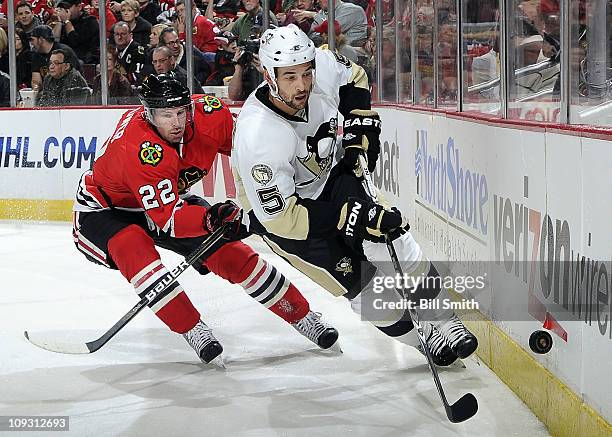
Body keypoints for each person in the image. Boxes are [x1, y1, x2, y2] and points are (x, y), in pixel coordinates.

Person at [232, 25, 478, 367]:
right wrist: (347, 216)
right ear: (267, 74)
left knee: (388, 234)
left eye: (306, 73)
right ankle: (423, 339)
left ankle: (443, 317)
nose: (302, 85)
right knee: (362, 286)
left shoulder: (321, 64)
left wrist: (358, 122)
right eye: (290, 77)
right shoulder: (258, 136)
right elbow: (284, 219)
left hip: (333, 176)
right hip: (289, 219)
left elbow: (355, 76)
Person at [72, 73, 339, 364]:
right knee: (135, 248)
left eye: (180, 112)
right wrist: (212, 218)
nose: (175, 122)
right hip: (104, 212)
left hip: (167, 200)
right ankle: (193, 329)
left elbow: (251, 153)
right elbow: (169, 221)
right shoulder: (137, 148)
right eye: (165, 115)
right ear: (148, 114)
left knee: (231, 253)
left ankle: (303, 316)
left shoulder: (211, 115)